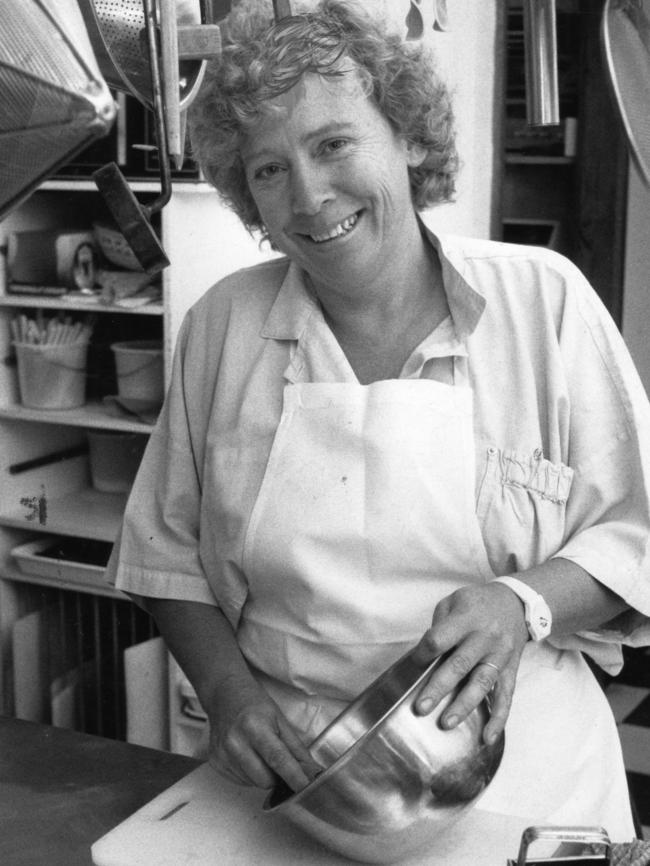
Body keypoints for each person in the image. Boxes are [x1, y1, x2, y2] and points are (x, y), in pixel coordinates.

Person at [106, 0, 650, 842]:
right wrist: (229, 697)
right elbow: (166, 559)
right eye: (268, 169)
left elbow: (638, 532)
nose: (310, 197)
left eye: (333, 144)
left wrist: (522, 604)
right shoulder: (224, 325)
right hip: (305, 779)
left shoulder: (542, 301)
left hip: (528, 780)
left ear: (410, 139)